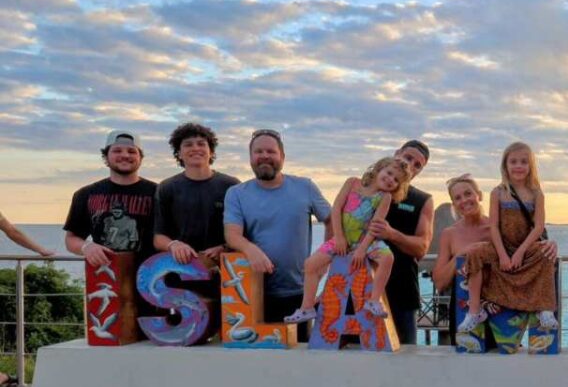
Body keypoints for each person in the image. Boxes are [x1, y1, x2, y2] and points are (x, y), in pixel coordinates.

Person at [223, 129, 332, 342]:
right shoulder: (236, 193)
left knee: (299, 357)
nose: (264, 156)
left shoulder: (305, 187)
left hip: (299, 293)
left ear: (282, 157)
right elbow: (232, 235)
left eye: (271, 151)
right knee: (258, 360)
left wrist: (324, 259)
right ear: (251, 158)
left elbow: (332, 220)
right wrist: (250, 249)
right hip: (252, 293)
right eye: (258, 151)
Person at [285, 157, 410, 323]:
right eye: (389, 173)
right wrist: (338, 237)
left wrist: (362, 249)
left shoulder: (384, 197)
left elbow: (375, 226)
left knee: (388, 258)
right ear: (378, 169)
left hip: (364, 241)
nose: (390, 180)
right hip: (341, 238)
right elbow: (336, 209)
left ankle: (373, 301)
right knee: (310, 265)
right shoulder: (352, 183)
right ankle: (307, 307)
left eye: (396, 180)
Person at [459, 142, 558, 333]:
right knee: (475, 254)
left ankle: (545, 308)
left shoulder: (537, 194)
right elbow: (494, 226)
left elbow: (538, 227)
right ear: (505, 165)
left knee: (546, 254)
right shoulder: (497, 193)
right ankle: (474, 310)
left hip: (526, 247)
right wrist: (503, 255)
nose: (518, 166)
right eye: (513, 161)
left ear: (531, 166)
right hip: (501, 246)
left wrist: (520, 252)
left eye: (523, 162)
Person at [370, 140, 435, 345]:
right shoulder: (365, 187)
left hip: (401, 291)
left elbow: (422, 248)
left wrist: (391, 234)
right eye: (408, 158)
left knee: (405, 357)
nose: (411, 166)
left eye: (418, 165)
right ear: (396, 153)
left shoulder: (422, 200)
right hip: (361, 283)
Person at [64, 130, 157, 267]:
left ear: (140, 158)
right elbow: (71, 239)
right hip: (105, 277)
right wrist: (86, 247)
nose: (125, 155)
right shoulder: (85, 194)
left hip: (150, 277)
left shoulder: (160, 193)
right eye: (117, 151)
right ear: (106, 157)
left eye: (131, 151)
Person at [153, 123, 240, 266]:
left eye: (201, 144)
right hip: (181, 269)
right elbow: (158, 237)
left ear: (211, 152)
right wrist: (174, 245)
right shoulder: (166, 187)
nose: (195, 148)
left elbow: (245, 231)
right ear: (179, 153)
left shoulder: (231, 186)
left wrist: (225, 247)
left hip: (224, 270)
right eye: (188, 145)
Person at [430, 175, 492, 293]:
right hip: (462, 306)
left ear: (479, 195)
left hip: (498, 305)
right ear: (454, 204)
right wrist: (461, 254)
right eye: (458, 198)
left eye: (468, 194)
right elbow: (439, 283)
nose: (464, 200)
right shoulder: (449, 234)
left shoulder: (496, 228)